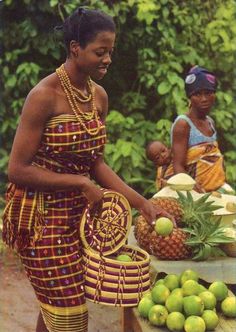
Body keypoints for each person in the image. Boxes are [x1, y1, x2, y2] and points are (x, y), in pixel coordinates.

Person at [2, 8, 172, 332]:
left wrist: (144, 204)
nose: (108, 59)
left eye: (111, 51)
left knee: (56, 307)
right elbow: (17, 169)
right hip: (41, 221)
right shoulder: (43, 96)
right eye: (100, 51)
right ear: (75, 47)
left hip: (81, 222)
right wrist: (79, 182)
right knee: (71, 317)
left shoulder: (99, 97)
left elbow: (97, 164)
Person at [153, 66, 233, 193]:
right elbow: (178, 165)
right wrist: (194, 191)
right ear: (190, 97)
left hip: (214, 188)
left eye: (208, 93)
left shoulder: (210, 122)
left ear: (214, 95)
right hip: (191, 191)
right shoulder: (183, 124)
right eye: (197, 94)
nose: (204, 98)